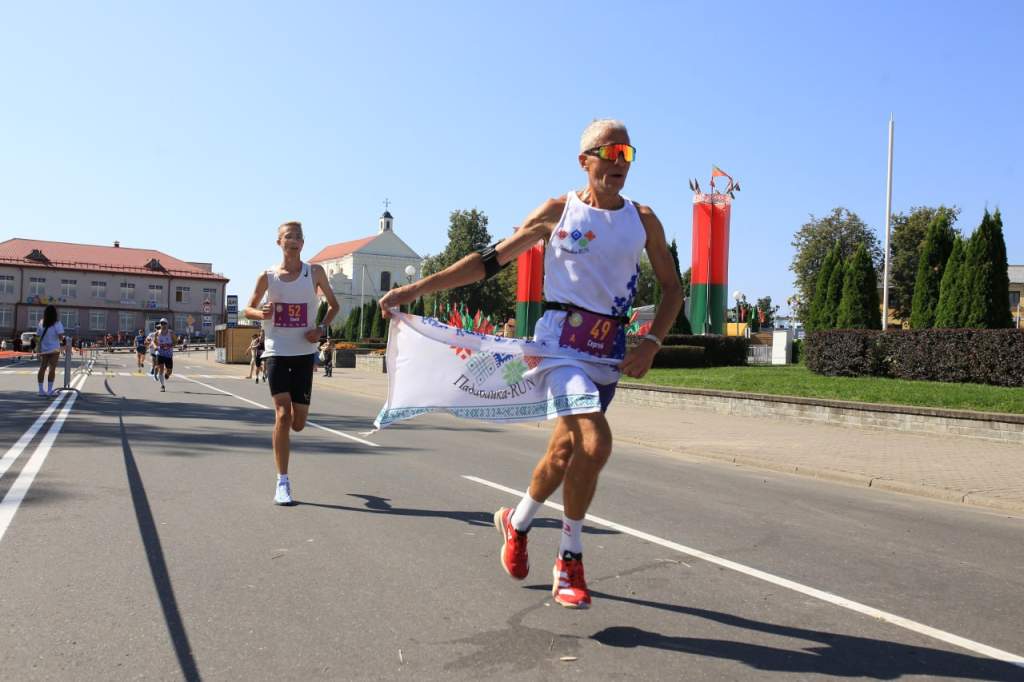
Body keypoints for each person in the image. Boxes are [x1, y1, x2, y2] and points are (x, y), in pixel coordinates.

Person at [380, 120, 682, 609]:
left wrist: (652, 342)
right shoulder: (558, 211)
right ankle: (570, 558)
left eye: (627, 153)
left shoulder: (643, 220)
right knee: (595, 440)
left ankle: (516, 523)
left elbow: (672, 289)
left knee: (564, 456)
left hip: (606, 355)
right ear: (585, 160)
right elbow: (486, 262)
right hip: (558, 348)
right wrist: (416, 289)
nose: (619, 163)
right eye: (609, 152)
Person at [243, 221, 339, 506]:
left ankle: (284, 467)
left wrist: (320, 328)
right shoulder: (268, 276)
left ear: (303, 243)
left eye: (298, 236)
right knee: (282, 415)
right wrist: (262, 314)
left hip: (304, 353)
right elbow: (249, 308)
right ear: (279, 242)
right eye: (288, 236)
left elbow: (334, 306)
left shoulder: (315, 273)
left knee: (297, 424)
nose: (294, 240)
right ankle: (282, 482)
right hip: (275, 351)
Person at [36, 305, 66, 397]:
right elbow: (61, 337)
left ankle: (41, 390)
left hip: (44, 349)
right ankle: (49, 390)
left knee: (42, 368)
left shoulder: (41, 322)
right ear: (55, 313)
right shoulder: (57, 323)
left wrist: (38, 348)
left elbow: (38, 337)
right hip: (54, 349)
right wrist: (64, 341)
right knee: (52, 369)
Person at [153, 318, 175, 392]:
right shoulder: (157, 333)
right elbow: (154, 342)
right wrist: (156, 346)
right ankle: (162, 386)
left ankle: (167, 375)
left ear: (167, 324)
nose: (163, 325)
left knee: (169, 371)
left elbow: (176, 341)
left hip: (169, 355)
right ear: (160, 325)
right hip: (160, 353)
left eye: (164, 323)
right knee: (161, 369)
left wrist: (170, 345)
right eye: (162, 324)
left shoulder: (171, 333)